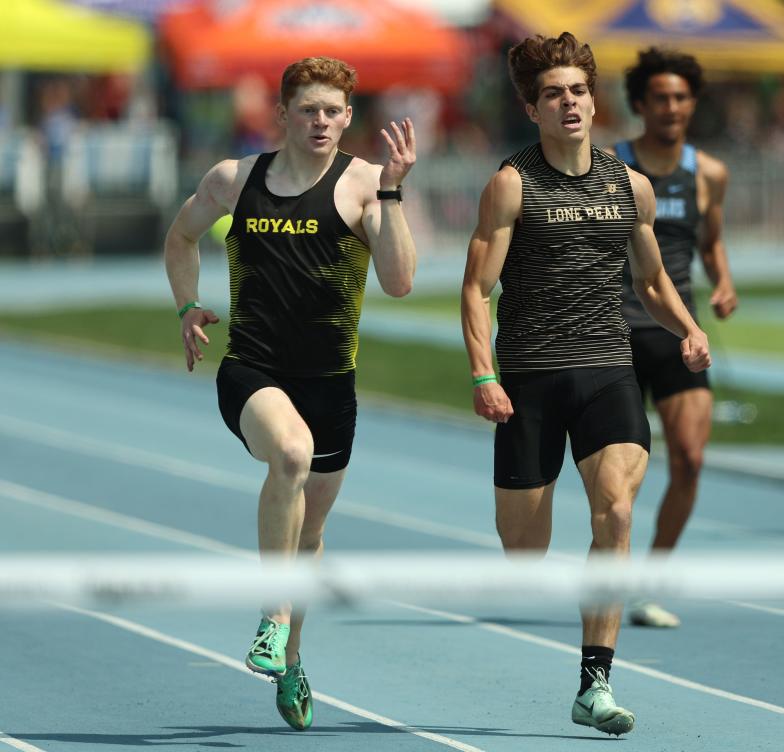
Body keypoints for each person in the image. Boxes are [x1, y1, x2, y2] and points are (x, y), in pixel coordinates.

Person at [460, 32, 710, 737]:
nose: (567, 103)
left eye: (576, 91)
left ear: (593, 102)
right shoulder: (512, 183)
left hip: (608, 369)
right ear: (531, 108)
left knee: (618, 514)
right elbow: (477, 288)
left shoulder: (629, 186)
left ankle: (594, 682)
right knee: (524, 550)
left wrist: (688, 328)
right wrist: (484, 373)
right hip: (532, 379)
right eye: (552, 94)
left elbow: (653, 279)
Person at [163, 57, 416, 729]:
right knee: (291, 456)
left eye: (333, 110)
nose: (321, 122)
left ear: (348, 116)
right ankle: (273, 615)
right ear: (283, 114)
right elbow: (181, 236)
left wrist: (392, 194)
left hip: (331, 382)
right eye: (308, 109)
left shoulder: (365, 183)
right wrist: (187, 305)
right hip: (252, 371)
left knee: (311, 535)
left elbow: (398, 281)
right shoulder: (235, 180)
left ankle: (292, 656)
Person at [608, 47, 736, 628]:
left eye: (681, 97)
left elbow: (710, 240)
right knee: (619, 472)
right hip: (616, 329)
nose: (671, 106)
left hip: (678, 333)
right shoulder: (611, 166)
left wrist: (724, 283)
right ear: (640, 103)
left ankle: (646, 583)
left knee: (688, 459)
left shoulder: (708, 172)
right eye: (659, 97)